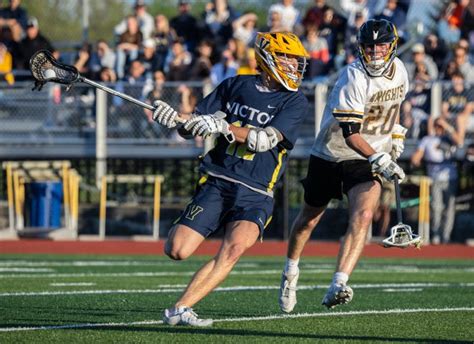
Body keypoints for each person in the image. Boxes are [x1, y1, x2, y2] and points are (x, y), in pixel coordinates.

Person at [152, 31, 309, 326]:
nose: (292, 65)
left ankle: (180, 308)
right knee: (177, 250)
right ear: (266, 58)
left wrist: (221, 126)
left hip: (257, 190)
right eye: (286, 57)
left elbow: (264, 140)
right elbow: (195, 124)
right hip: (218, 179)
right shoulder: (235, 84)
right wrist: (174, 120)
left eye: (294, 59)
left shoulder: (295, 101)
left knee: (235, 247)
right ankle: (182, 304)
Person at [278, 19, 408, 313]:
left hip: (365, 160)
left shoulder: (400, 69)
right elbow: (350, 134)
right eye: (369, 47)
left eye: (381, 46)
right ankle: (290, 272)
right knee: (308, 220)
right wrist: (380, 157)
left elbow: (396, 104)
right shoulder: (354, 76)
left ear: (392, 46)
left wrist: (396, 133)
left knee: (363, 215)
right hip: (332, 153)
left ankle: (339, 282)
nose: (375, 52)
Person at [411, 117, 461, 244]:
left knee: (449, 208)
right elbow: (417, 156)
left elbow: (459, 141)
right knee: (436, 207)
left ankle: (446, 235)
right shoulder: (427, 140)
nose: (439, 128)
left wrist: (447, 126)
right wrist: (416, 160)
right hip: (434, 178)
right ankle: (436, 234)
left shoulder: (449, 138)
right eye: (437, 126)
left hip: (450, 178)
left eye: (441, 126)